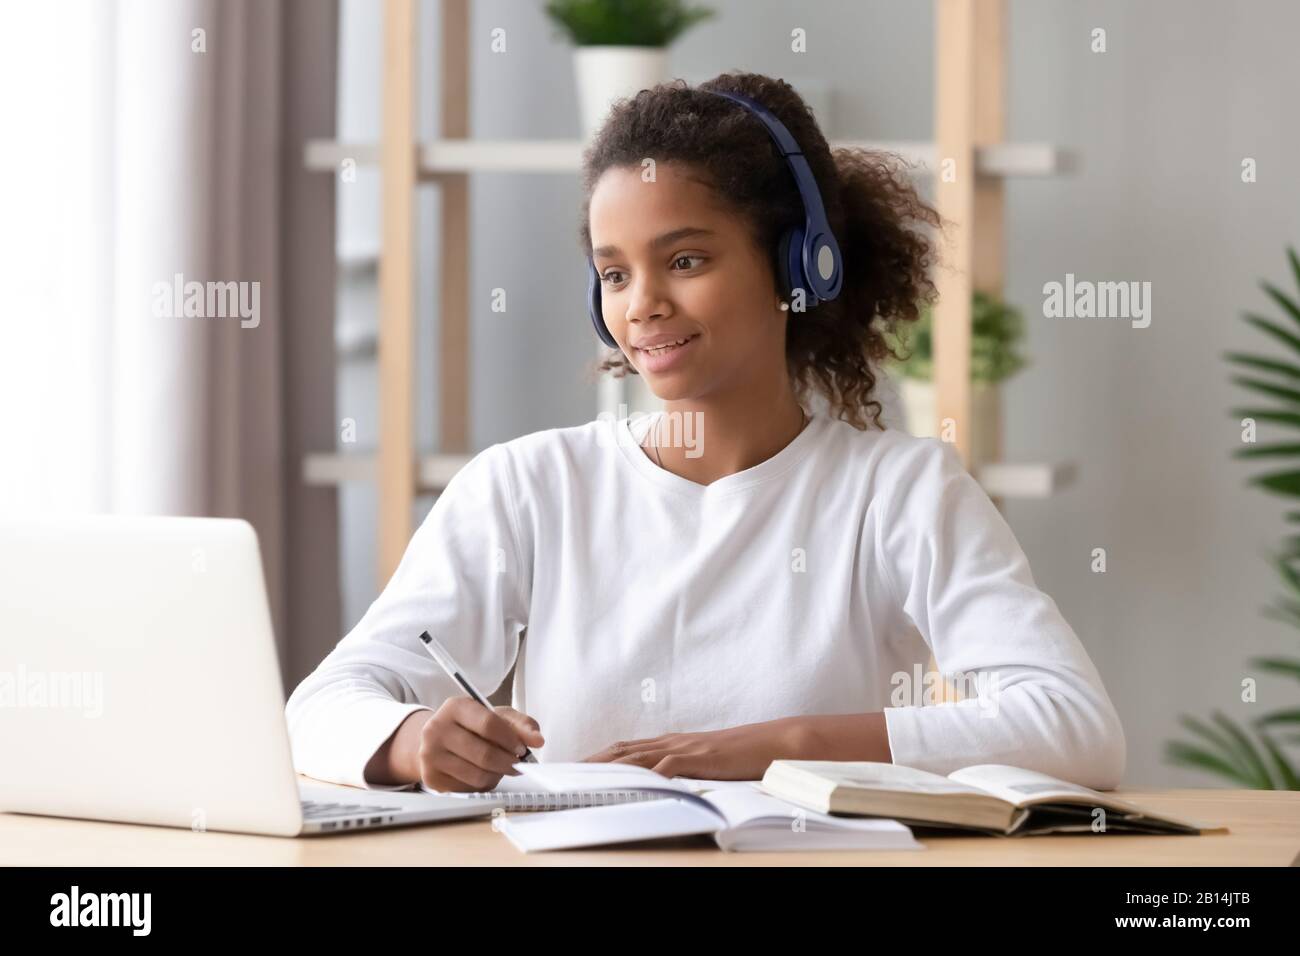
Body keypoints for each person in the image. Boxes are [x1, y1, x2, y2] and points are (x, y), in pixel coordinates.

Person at [285, 71, 1125, 794]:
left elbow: (1077, 728)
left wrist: (782, 747)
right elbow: (320, 707)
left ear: (798, 267)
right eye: (615, 274)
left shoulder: (901, 492)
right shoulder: (526, 487)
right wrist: (410, 740)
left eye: (685, 260)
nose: (641, 303)